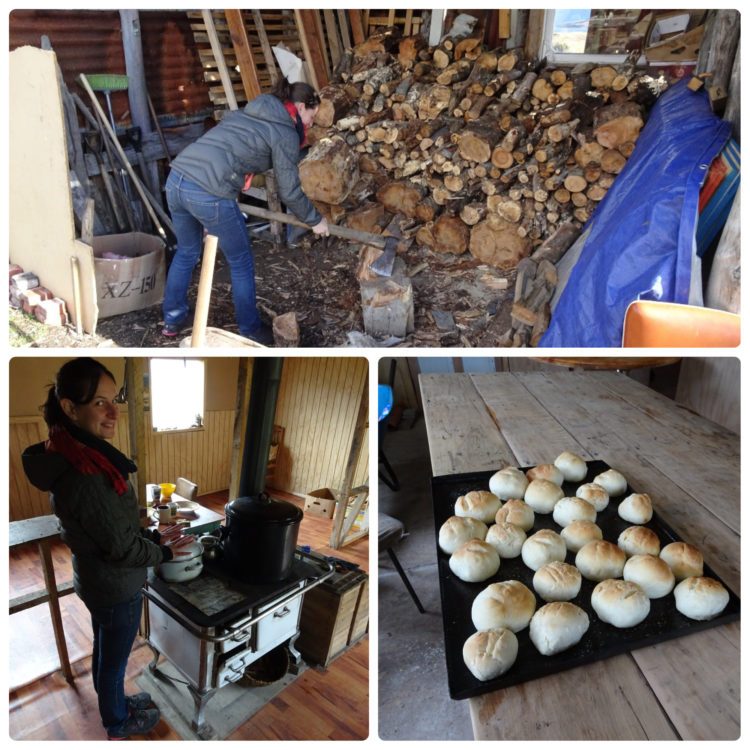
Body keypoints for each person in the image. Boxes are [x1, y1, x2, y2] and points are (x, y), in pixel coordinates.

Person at [22, 358, 194, 740]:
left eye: (114, 398)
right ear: (70, 408)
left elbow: (108, 525)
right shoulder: (86, 475)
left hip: (97, 582)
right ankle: (117, 722)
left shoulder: (75, 454)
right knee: (113, 663)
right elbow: (121, 549)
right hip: (116, 587)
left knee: (106, 652)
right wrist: (163, 552)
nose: (114, 411)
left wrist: (144, 531)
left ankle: (114, 702)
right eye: (99, 402)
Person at [161, 77, 330, 343]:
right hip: (209, 191)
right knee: (240, 261)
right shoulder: (284, 130)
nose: (311, 123)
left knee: (186, 251)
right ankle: (250, 329)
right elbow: (289, 190)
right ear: (299, 106)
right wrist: (315, 219)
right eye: (312, 115)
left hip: (177, 180)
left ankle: (172, 319)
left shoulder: (248, 112)